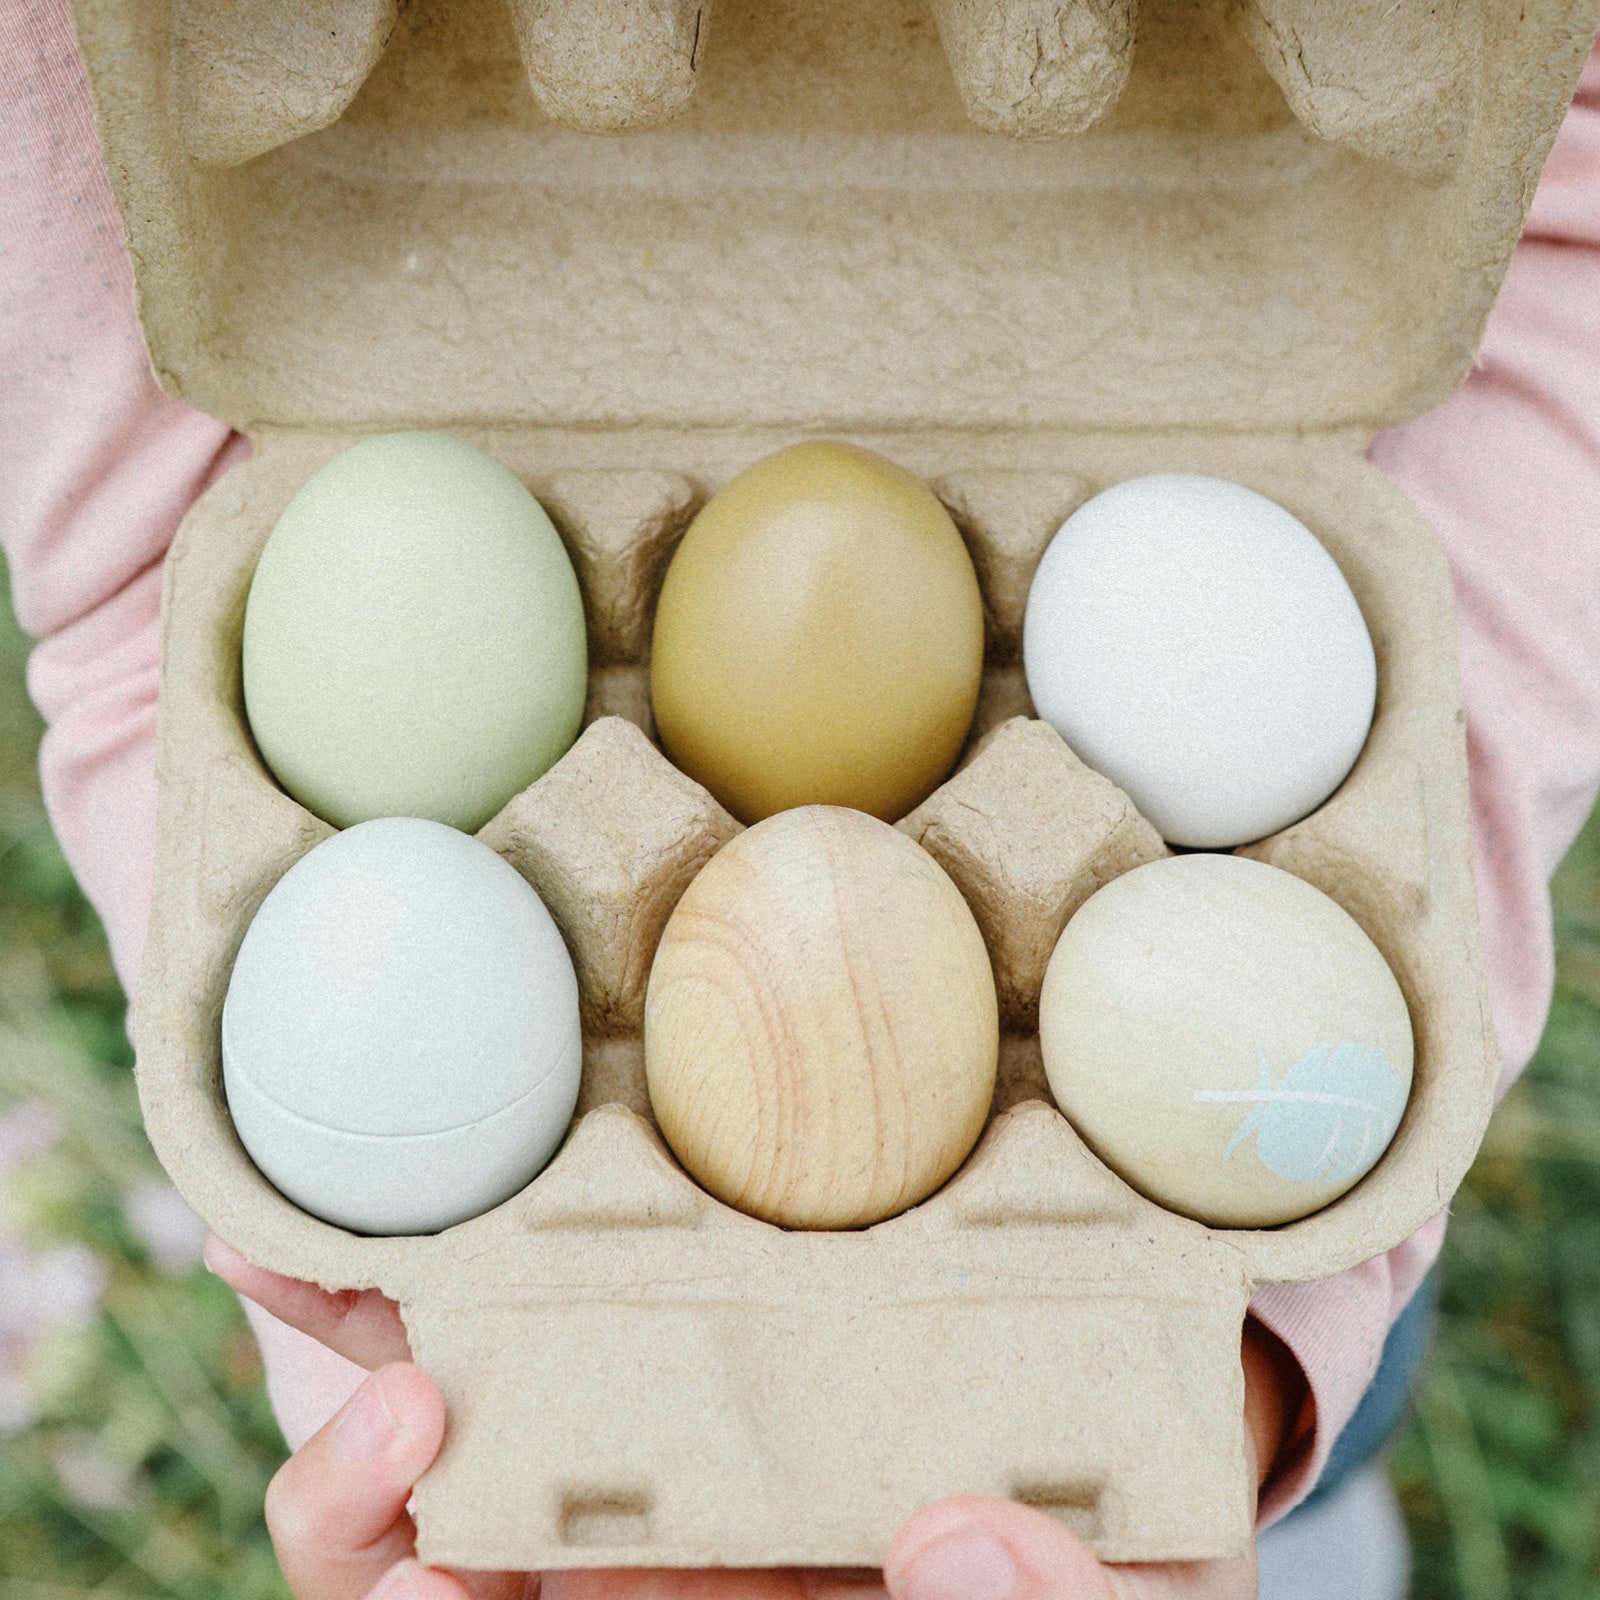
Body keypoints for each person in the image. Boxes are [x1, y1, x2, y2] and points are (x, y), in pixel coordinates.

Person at [5, 3, 1599, 1596]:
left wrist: (1240, 1388)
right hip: (522, 1306)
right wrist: (447, 1376)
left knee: (1289, 1527)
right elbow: (142, 551)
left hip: (1217, 1302)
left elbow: (1565, 204)